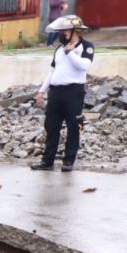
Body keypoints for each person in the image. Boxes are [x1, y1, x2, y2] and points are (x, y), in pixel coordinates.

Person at [31, 15, 95, 172]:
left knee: (74, 127)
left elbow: (84, 66)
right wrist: (41, 91)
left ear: (75, 31)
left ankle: (68, 161)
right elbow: (52, 71)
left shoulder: (86, 46)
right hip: (56, 92)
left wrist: (70, 53)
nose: (61, 34)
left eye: (64, 30)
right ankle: (47, 162)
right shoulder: (59, 50)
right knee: (51, 126)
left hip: (74, 92)